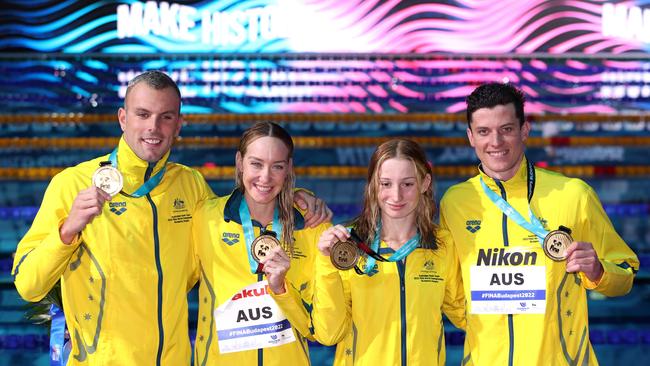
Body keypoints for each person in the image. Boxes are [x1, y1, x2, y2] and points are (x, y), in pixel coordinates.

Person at [11, 71, 331, 365]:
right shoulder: (73, 184)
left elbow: (242, 217)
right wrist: (67, 232)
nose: (154, 127)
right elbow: (28, 285)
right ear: (123, 118)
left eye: (165, 117)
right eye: (143, 114)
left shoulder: (190, 186)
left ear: (178, 125)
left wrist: (294, 196)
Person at [439, 82, 640, 365]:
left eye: (506, 129)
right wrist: (481, 322)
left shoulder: (573, 195)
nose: (495, 142)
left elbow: (626, 273)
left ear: (524, 131)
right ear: (471, 136)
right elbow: (450, 287)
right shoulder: (455, 202)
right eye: (484, 131)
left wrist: (597, 271)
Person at [310, 139, 465, 366]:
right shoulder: (347, 247)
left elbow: (465, 314)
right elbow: (328, 333)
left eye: (407, 184)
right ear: (374, 185)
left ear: (425, 183)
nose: (396, 196)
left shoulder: (441, 245)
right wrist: (326, 263)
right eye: (386, 184)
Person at [191, 121, 330, 365]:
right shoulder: (206, 217)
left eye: (276, 166)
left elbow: (320, 328)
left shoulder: (311, 226)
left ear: (288, 168)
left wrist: (283, 291)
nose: (265, 177)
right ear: (239, 162)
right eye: (256, 163)